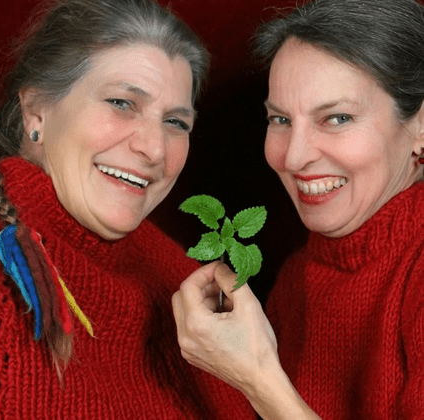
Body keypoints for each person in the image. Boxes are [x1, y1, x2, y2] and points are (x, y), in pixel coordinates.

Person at [0, 0, 258, 418]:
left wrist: (259, 376)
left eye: (176, 122)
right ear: (36, 113)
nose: (154, 149)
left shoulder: (187, 285)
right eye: (121, 103)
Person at [172, 0, 424, 418]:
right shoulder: (295, 281)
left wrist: (257, 378)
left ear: (419, 126)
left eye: (337, 118)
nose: (293, 157)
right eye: (281, 120)